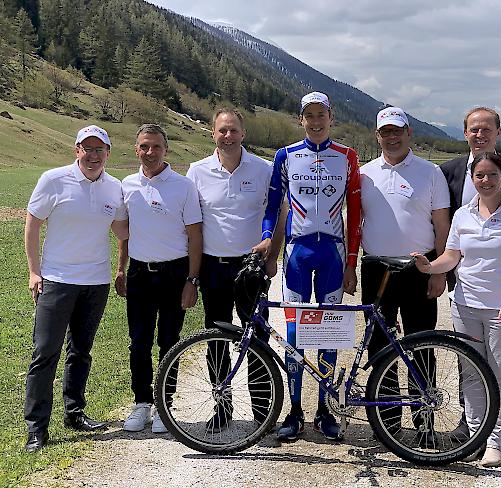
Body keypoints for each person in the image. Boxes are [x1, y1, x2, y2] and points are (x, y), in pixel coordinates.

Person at [413, 152, 501, 467]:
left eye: (492, 175)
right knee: (471, 374)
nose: (486, 181)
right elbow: (452, 256)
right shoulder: (463, 215)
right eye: (479, 176)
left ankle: (496, 442)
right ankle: (476, 437)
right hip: (465, 305)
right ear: (472, 179)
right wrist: (430, 266)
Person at [252, 91, 362, 441]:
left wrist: (351, 263)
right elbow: (273, 204)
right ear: (301, 119)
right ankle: (295, 410)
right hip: (297, 254)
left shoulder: (346, 156)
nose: (315, 122)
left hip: (331, 253)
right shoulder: (285, 155)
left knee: (327, 336)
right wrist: (269, 236)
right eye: (309, 116)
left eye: (321, 115)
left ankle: (325, 409)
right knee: (296, 336)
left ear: (331, 118)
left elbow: (356, 214)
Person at [23, 125, 128, 452]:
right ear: (76, 150)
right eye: (88, 148)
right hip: (56, 280)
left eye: (100, 150)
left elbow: (122, 231)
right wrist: (34, 271)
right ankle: (36, 428)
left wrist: (122, 266)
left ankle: (74, 412)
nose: (93, 155)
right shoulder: (54, 179)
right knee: (45, 353)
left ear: (108, 153)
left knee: (80, 351)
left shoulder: (115, 188)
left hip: (95, 283)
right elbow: (32, 224)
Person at [186, 108, 284, 428]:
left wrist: (272, 257)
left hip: (250, 266)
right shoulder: (197, 171)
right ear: (213, 133)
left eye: (233, 130)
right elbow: (191, 224)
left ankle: (262, 412)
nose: (227, 136)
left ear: (243, 133)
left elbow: (280, 213)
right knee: (216, 340)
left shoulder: (263, 169)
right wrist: (194, 272)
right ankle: (222, 407)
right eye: (221, 130)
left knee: (256, 338)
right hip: (214, 266)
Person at [359, 107, 450, 440]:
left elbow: (442, 225)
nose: (392, 137)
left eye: (397, 131)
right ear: (377, 136)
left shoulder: (430, 173)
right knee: (379, 347)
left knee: (421, 344)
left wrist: (440, 271)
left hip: (418, 267)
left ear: (408, 133)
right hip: (376, 267)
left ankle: (424, 421)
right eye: (385, 132)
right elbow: (354, 223)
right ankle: (387, 423)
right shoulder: (364, 174)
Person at [440, 107, 501, 444]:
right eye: (474, 130)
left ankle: (497, 434)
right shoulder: (446, 172)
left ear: (498, 132)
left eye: (486, 129)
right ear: (465, 134)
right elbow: (444, 227)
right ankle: (470, 425)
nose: (480, 135)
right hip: (462, 283)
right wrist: (436, 269)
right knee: (470, 364)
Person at [116, 124, 202, 434]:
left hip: (174, 273)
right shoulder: (126, 185)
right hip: (140, 272)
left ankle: (165, 404)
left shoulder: (183, 186)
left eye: (156, 147)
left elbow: (195, 236)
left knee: (169, 342)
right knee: (138, 342)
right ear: (136, 149)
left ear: (166, 149)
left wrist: (192, 280)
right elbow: (124, 234)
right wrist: (121, 269)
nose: (150, 152)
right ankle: (142, 404)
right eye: (144, 147)